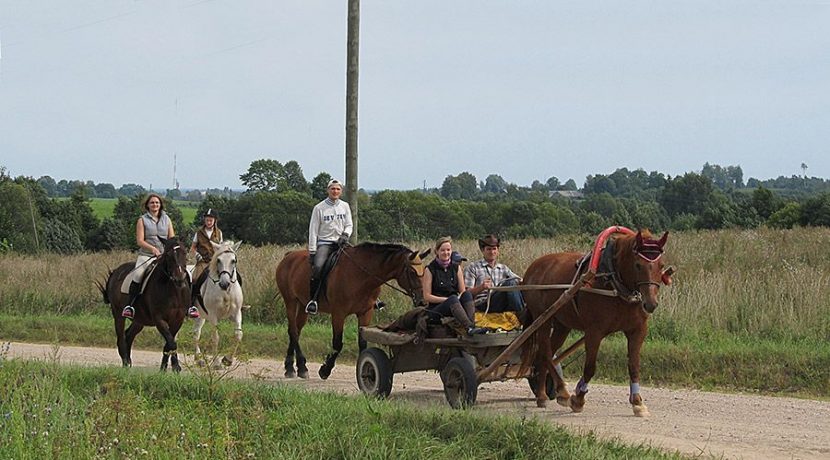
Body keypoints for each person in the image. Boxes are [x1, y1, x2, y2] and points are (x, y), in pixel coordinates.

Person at [122, 193, 200, 320]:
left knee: (187, 274)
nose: (155, 205)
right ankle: (130, 307)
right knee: (137, 275)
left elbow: (172, 238)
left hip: (166, 255)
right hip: (147, 255)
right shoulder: (142, 220)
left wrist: (174, 250)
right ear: (147, 205)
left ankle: (189, 306)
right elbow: (140, 241)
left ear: (160, 205)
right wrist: (153, 249)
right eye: (152, 203)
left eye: (157, 203)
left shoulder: (167, 219)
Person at [421, 237, 487, 335]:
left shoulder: (456, 268)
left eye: (448, 250)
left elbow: (462, 291)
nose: (446, 253)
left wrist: (458, 298)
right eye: (442, 250)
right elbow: (427, 296)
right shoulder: (430, 269)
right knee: (452, 299)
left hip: (454, 304)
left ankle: (472, 326)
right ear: (437, 251)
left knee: (467, 294)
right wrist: (446, 300)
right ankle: (469, 328)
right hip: (437, 308)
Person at [306, 179, 353, 315]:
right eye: (333, 189)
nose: (335, 191)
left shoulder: (345, 206)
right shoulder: (319, 208)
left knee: (359, 262)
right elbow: (313, 230)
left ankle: (373, 299)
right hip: (325, 243)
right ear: (328, 190)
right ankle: (313, 300)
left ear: (341, 191)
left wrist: (346, 235)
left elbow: (349, 224)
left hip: (341, 242)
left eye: (338, 189)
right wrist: (313, 250)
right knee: (319, 267)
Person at [464, 234, 524, 313]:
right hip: (483, 303)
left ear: (497, 250)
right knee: (510, 283)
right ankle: (522, 314)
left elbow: (519, 280)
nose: (492, 252)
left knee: (514, 283)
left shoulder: (503, 268)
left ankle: (525, 311)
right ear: (483, 250)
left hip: (501, 302)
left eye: (494, 249)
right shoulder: (473, 267)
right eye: (488, 249)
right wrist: (482, 287)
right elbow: (467, 294)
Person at [189, 208, 223, 313]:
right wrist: (197, 255)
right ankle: (191, 305)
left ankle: (232, 302)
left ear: (214, 221)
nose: (208, 222)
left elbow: (221, 248)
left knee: (228, 276)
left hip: (214, 262)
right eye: (207, 220)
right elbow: (193, 247)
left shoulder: (219, 233)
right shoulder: (199, 233)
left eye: (210, 220)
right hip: (202, 261)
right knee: (195, 279)